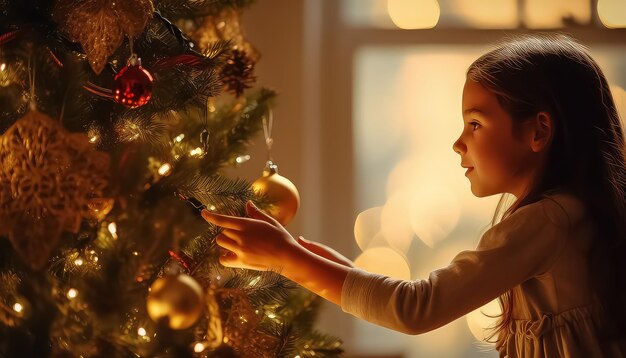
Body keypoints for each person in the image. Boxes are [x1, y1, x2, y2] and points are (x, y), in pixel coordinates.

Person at [201, 33, 626, 357]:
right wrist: (298, 253)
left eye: (475, 124)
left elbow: (416, 308)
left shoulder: (546, 222)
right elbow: (404, 298)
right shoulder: (568, 216)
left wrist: (286, 258)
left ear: (538, 131)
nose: (459, 143)